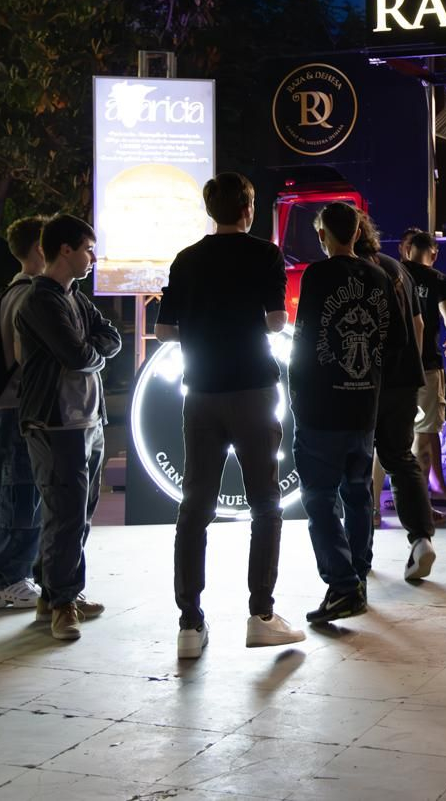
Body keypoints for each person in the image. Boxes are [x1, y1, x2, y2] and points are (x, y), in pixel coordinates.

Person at [156, 172, 304, 659]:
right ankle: (261, 615)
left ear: (210, 210)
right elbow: (277, 321)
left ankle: (189, 624)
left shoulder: (186, 259)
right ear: (248, 208)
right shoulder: (265, 254)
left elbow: (164, 331)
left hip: (201, 391)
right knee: (265, 502)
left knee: (195, 505)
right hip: (253, 389)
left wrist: (204, 328)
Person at [16, 213, 121, 641]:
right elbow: (77, 356)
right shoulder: (41, 300)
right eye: (88, 250)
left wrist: (90, 350)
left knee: (78, 512)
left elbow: (111, 338)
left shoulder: (75, 297)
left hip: (88, 421)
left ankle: (55, 593)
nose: (93, 258)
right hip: (56, 422)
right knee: (66, 514)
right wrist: (93, 352)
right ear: (65, 250)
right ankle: (62, 604)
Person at [289, 202, 395, 623]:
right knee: (358, 494)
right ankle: (358, 577)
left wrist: (296, 395)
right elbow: (390, 342)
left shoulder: (317, 275)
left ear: (323, 235)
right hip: (364, 404)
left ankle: (343, 585)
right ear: (357, 232)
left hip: (323, 407)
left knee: (319, 499)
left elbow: (304, 339)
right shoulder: (380, 276)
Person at [355, 210, 439, 582]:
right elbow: (418, 324)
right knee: (402, 459)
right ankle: (421, 539)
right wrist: (411, 370)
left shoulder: (352, 270)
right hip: (404, 379)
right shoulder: (397, 268)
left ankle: (360, 552)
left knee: (357, 462)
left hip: (364, 380)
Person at [0, 215, 48, 610]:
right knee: (18, 493)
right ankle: (3, 580)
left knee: (7, 492)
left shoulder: (12, 291)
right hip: (18, 405)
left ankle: (1, 572)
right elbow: (28, 358)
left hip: (4, 406)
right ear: (40, 248)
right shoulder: (29, 295)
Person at [400, 229, 446, 508]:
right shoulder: (438, 279)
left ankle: (385, 503)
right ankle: (419, 505)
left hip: (392, 368)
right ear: (434, 254)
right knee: (424, 437)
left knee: (394, 436)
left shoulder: (390, 273)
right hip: (426, 366)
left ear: (407, 250)